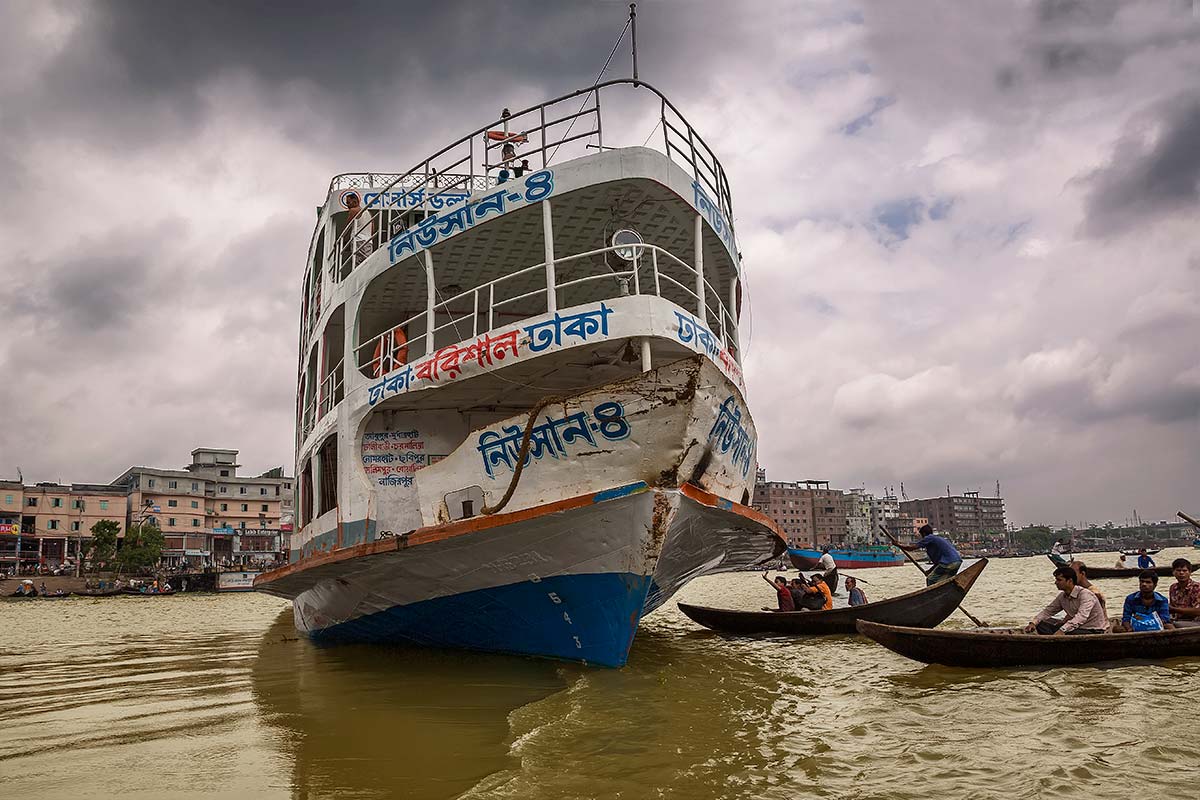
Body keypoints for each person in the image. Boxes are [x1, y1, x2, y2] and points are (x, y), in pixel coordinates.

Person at [1023, 566, 1109, 635]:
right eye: (1056, 580)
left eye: (1059, 580)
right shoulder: (1062, 596)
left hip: (1092, 630)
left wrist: (1063, 630)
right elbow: (1048, 611)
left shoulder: (1085, 594)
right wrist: (1033, 623)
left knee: (1068, 632)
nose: (1056, 583)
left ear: (1069, 581)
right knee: (1041, 625)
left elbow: (1081, 617)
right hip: (1075, 629)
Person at [897, 524, 963, 586]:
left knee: (930, 580)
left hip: (949, 563)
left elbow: (911, 548)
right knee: (945, 582)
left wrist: (898, 545)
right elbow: (938, 564)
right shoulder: (938, 539)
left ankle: (934, 595)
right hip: (957, 562)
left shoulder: (929, 538)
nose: (922, 538)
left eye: (921, 535)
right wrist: (929, 571)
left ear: (924, 534)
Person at [1168, 559, 1200, 628]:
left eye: (1184, 571)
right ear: (1173, 572)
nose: (1181, 573)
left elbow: (1198, 611)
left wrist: (1174, 609)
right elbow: (1172, 610)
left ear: (1190, 572)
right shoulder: (1173, 588)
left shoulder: (1197, 588)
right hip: (1178, 620)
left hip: (1196, 622)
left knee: (1171, 625)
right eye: (1178, 570)